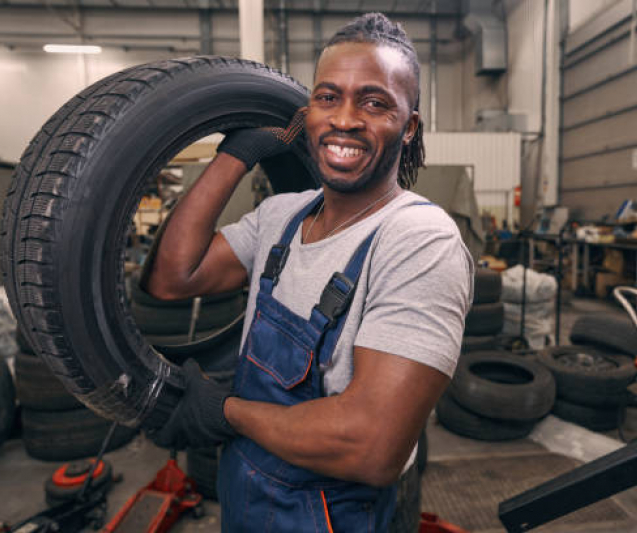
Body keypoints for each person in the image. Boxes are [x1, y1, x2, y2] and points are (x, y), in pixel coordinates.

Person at [145, 12, 473, 532]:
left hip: (332, 515)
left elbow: (372, 446)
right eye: (327, 97)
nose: (344, 118)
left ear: (409, 128)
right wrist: (238, 153)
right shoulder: (282, 216)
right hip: (246, 495)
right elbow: (173, 277)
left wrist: (226, 412)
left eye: (374, 102)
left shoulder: (418, 240)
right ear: (307, 112)